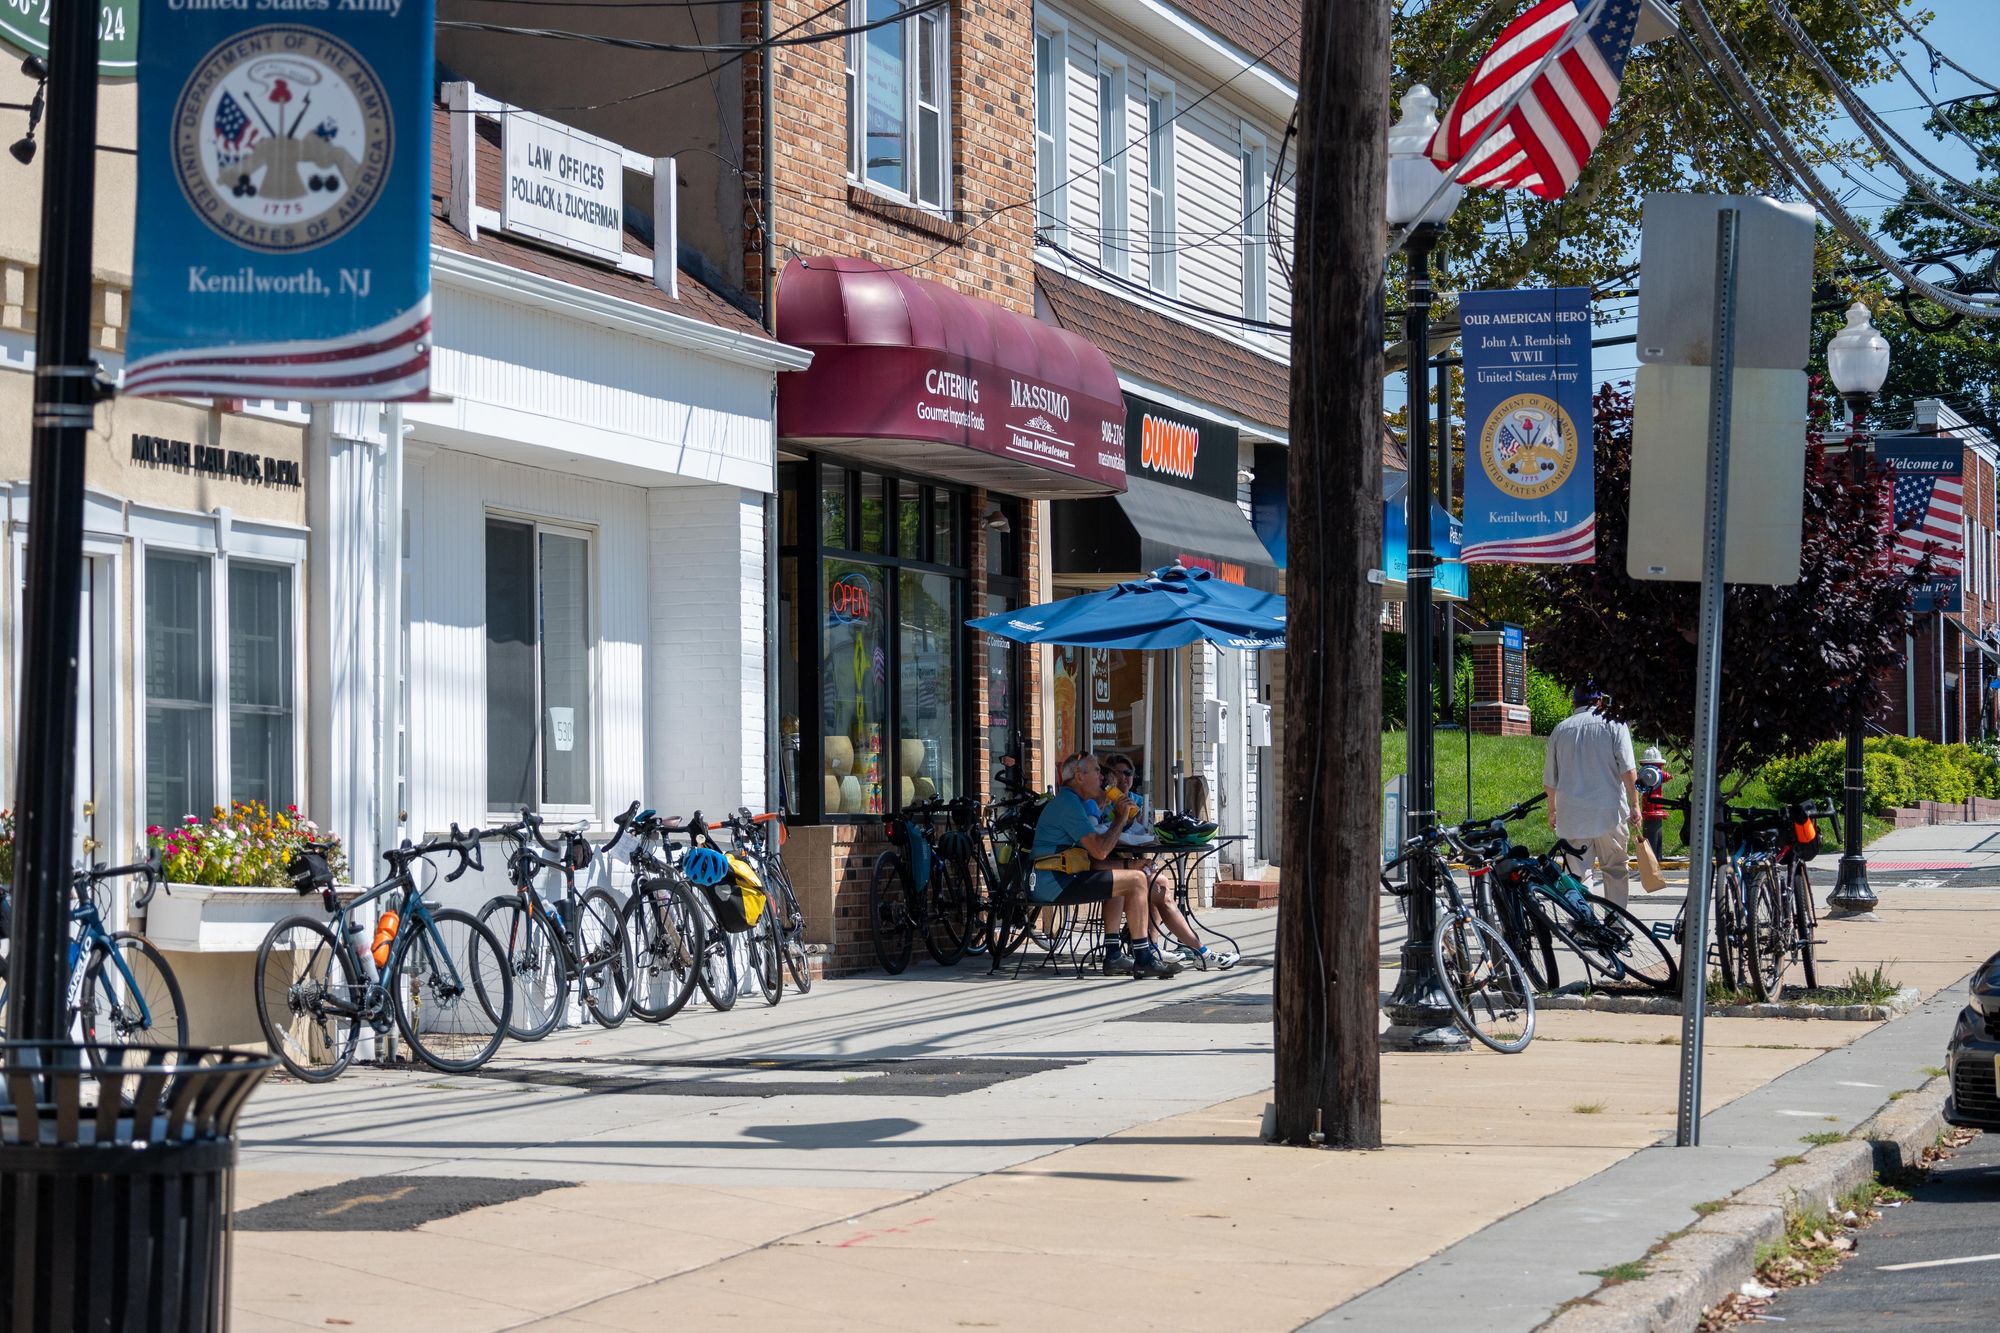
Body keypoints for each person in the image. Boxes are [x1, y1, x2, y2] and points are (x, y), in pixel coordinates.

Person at [1032, 751, 1182, 978]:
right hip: (1054, 881)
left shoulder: (1076, 802)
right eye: (1096, 771)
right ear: (1078, 776)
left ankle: (1114, 955)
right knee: (1137, 880)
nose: (1102, 777)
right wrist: (1121, 817)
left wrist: (1127, 863)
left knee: (1122, 877)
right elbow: (1100, 851)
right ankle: (1143, 957)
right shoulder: (1069, 804)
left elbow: (1095, 857)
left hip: (1063, 875)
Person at [1098, 754, 1238, 972]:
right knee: (1156, 884)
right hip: (1108, 865)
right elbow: (1103, 840)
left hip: (1132, 861)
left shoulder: (1140, 800)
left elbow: (1150, 832)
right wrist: (1121, 817)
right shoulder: (1101, 803)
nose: (1125, 778)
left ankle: (1155, 947)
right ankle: (1198, 953)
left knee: (1159, 884)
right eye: (1119, 774)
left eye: (1129, 773)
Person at [1543, 683, 1641, 906]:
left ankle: (1584, 927)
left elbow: (1550, 782)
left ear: (1573, 702)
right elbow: (1628, 771)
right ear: (1600, 701)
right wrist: (1635, 804)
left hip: (1572, 813)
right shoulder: (1614, 723)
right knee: (1615, 869)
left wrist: (1552, 810)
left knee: (1578, 874)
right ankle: (1615, 925)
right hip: (1610, 813)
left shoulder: (1560, 730)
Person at [1637, 745, 1673, 857]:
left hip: (1651, 807)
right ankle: (1654, 858)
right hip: (1651, 808)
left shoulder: (1643, 777)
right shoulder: (1659, 776)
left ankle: (1652, 858)